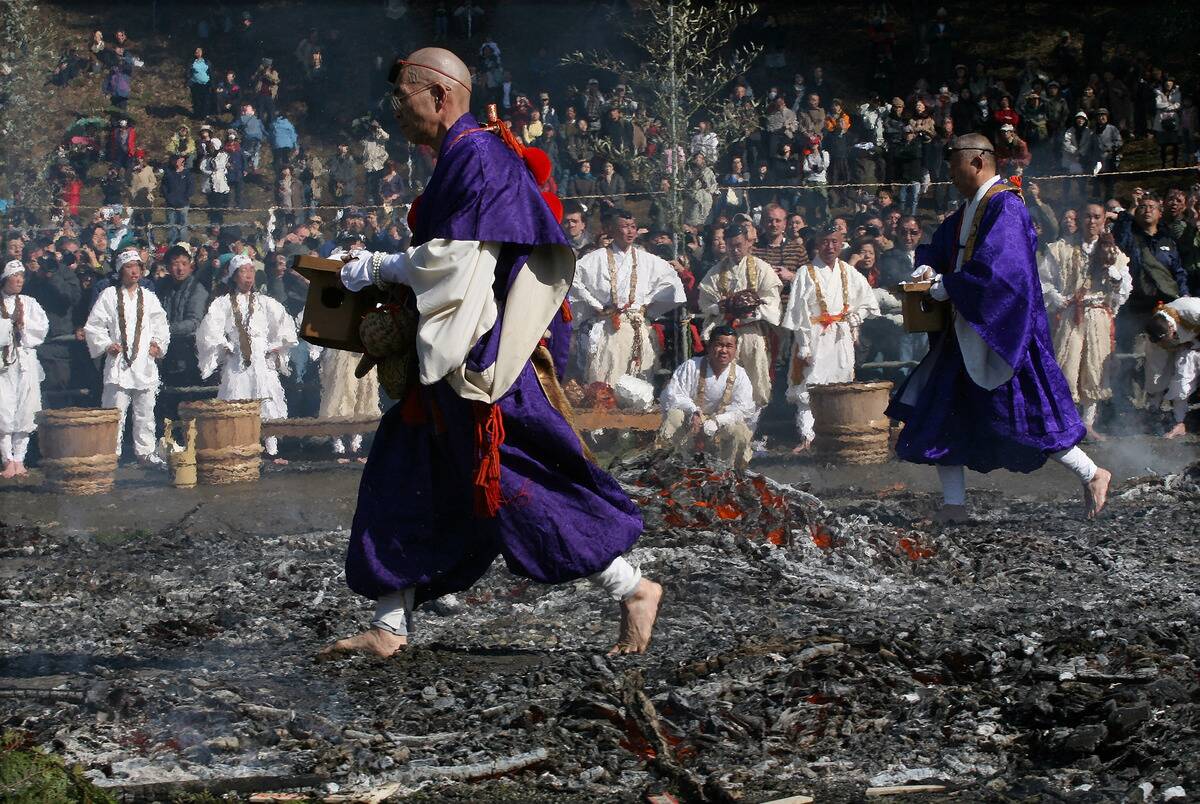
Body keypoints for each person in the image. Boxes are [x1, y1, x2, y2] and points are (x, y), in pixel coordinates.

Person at [326, 47, 661, 659]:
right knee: (405, 471)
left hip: (483, 362)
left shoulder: (478, 154)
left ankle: (632, 586)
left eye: (402, 97)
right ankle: (389, 626)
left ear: (440, 95)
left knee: (513, 477)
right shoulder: (462, 154)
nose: (394, 110)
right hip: (453, 356)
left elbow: (455, 263)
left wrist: (379, 266)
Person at [886, 133, 1112, 522]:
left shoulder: (1006, 205)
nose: (949, 173)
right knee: (943, 411)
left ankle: (1092, 473)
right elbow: (941, 247)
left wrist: (947, 286)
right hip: (963, 330)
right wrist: (928, 267)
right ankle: (954, 505)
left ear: (977, 161)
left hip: (1002, 334)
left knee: (1025, 413)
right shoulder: (971, 208)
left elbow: (1003, 273)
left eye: (953, 163)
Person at [781, 223, 880, 452]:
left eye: (834, 241)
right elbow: (797, 313)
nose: (830, 246)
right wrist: (804, 347)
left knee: (839, 384)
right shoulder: (806, 272)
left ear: (841, 242)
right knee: (809, 387)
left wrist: (855, 318)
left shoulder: (847, 270)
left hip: (840, 336)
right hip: (814, 336)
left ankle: (835, 436)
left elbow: (868, 303)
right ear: (817, 243)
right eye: (825, 241)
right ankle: (808, 437)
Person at [1040, 207, 1132, 439]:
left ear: (1103, 221)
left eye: (1096, 217)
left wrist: (1114, 275)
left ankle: (1088, 424)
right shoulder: (1063, 247)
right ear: (1080, 220)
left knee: (1095, 369)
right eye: (1087, 216)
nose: (1091, 221)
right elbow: (1043, 280)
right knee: (1067, 365)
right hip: (1071, 314)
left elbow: (1123, 290)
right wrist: (1054, 296)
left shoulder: (1114, 252)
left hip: (1098, 315)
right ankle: (1066, 422)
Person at [196, 255, 298, 464]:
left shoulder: (264, 302)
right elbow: (209, 330)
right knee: (237, 400)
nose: (248, 275)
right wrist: (226, 346)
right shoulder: (222, 303)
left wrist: (274, 346)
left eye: (251, 270)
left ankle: (271, 449)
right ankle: (239, 446)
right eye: (243, 271)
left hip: (261, 357)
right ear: (234, 276)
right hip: (238, 361)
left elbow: (284, 326)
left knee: (266, 399)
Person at [569, 208, 685, 385]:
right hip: (609, 326)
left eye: (633, 226)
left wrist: (647, 303)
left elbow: (671, 282)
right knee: (607, 380)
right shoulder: (595, 258)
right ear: (613, 230)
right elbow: (573, 280)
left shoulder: (647, 259)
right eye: (625, 227)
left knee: (638, 383)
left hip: (636, 324)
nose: (630, 231)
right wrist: (595, 305)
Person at [83, 249, 170, 465]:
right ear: (121, 270)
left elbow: (161, 325)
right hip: (119, 362)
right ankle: (111, 452)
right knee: (115, 411)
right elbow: (94, 326)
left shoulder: (149, 297)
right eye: (129, 267)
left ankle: (146, 452)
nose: (134, 271)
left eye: (137, 266)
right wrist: (105, 344)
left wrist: (157, 345)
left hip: (144, 361)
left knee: (145, 411)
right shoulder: (109, 295)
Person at [697, 224, 782, 408]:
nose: (735, 250)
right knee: (726, 376)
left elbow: (772, 302)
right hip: (726, 333)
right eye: (730, 246)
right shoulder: (715, 273)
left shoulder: (762, 268)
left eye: (739, 245)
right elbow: (705, 304)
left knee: (756, 374)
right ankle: (725, 414)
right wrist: (720, 307)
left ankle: (756, 414)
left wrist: (753, 312)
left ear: (747, 243)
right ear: (725, 245)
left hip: (752, 331)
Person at [657, 325, 756, 469]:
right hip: (691, 420)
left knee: (740, 432)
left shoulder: (740, 374)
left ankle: (730, 472)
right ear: (709, 346)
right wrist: (694, 412)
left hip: (721, 423)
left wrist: (718, 421)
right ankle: (667, 465)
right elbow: (672, 394)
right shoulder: (691, 366)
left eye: (729, 346)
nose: (724, 350)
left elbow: (744, 408)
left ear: (735, 350)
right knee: (674, 416)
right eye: (719, 345)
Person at [0, 261, 48, 478]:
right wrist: (9, 327)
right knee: (3, 409)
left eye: (22, 276)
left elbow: (42, 327)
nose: (19, 280)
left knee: (25, 409)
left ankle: (19, 458)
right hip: (4, 364)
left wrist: (23, 326)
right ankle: (6, 459)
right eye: (15, 276)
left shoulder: (29, 303)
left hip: (25, 362)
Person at [1144, 298, 1200, 438]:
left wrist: (1195, 343)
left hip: (1195, 340)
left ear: (1170, 326)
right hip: (1184, 342)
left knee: (1184, 372)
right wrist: (1173, 344)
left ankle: (1180, 421)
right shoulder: (1155, 330)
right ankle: (1153, 412)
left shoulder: (1193, 312)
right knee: (1155, 375)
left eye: (1166, 339)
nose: (1164, 343)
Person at [157, 243, 210, 388]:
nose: (180, 268)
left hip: (189, 353)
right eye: (175, 264)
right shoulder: (161, 287)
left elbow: (194, 322)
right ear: (167, 267)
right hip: (165, 352)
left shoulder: (197, 288)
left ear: (190, 265)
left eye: (184, 263)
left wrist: (165, 329)